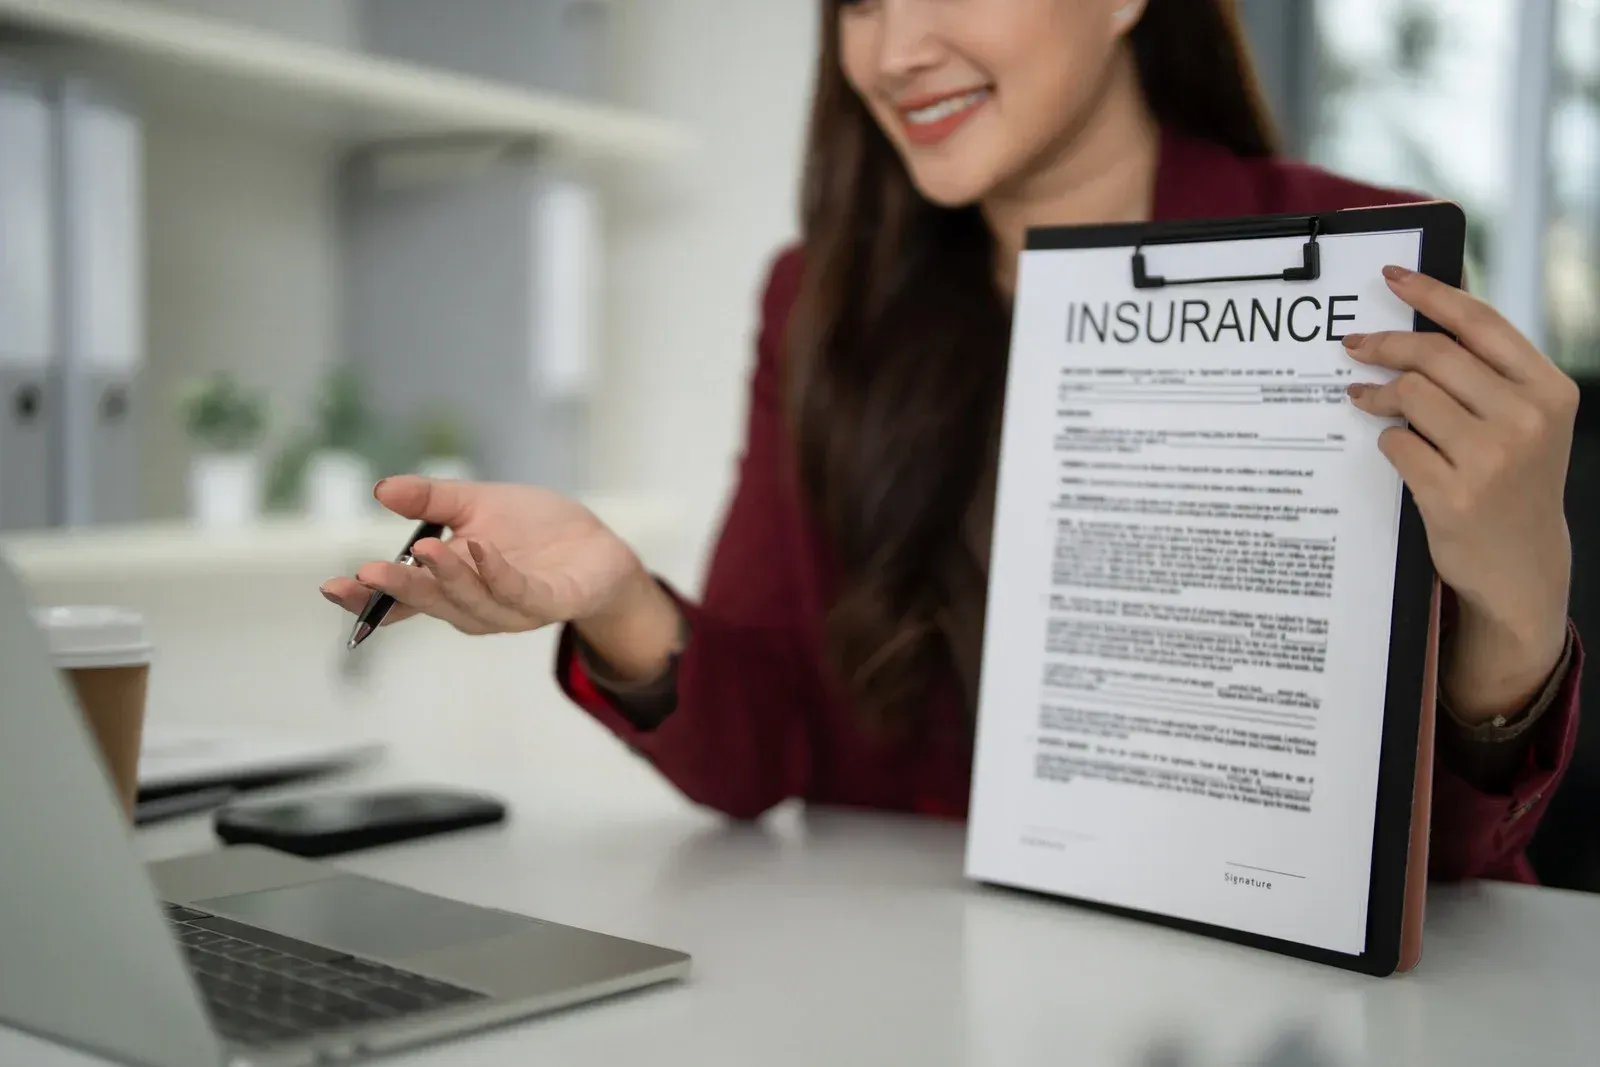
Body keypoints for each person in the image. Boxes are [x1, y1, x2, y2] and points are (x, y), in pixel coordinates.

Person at [322, 0, 1583, 884]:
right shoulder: (820, 300)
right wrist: (614, 591)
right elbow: (764, 753)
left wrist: (1519, 608)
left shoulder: (1366, 270)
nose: (895, 49)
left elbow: (1444, 860)